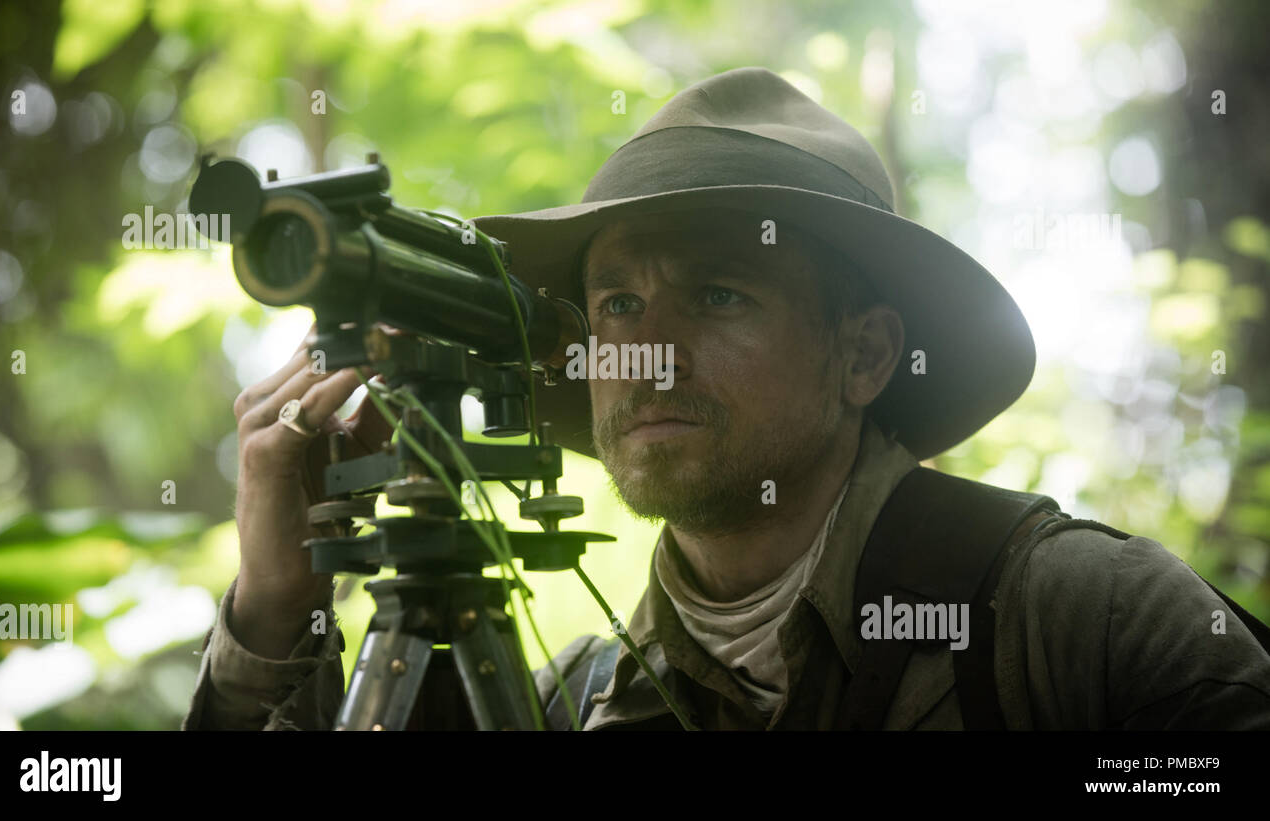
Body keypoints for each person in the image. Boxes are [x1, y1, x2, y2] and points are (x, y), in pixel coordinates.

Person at [183, 67, 1270, 731]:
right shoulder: (576, 696)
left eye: (715, 292)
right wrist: (277, 609)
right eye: (614, 304)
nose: (645, 353)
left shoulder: (1081, 621)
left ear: (865, 355)